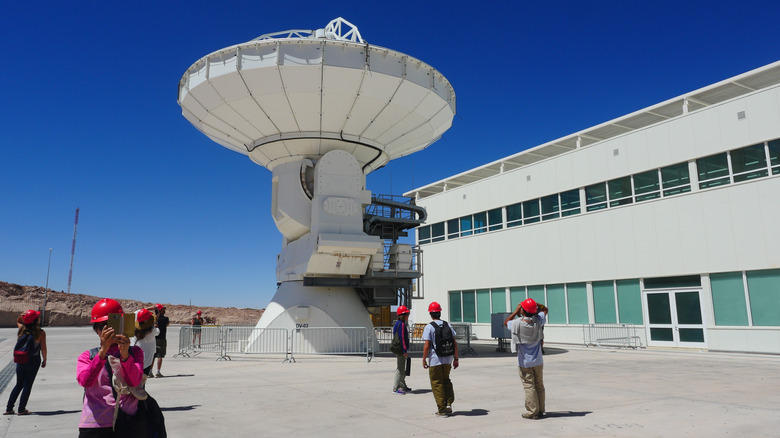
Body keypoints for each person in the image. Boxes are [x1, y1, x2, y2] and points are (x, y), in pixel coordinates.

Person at [77, 298, 144, 437]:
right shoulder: (87, 356)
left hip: (127, 421)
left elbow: (135, 381)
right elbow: (85, 382)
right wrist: (102, 353)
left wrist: (125, 356)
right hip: (96, 423)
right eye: (104, 326)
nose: (110, 331)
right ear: (97, 330)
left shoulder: (135, 352)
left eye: (113, 325)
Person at [504, 298, 548, 419]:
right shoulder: (538, 320)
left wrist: (515, 311)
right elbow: (545, 310)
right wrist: (536, 304)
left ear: (523, 311)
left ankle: (532, 411)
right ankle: (541, 409)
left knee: (529, 386)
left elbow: (506, 322)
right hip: (538, 360)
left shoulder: (517, 323)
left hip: (525, 362)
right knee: (539, 385)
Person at [4, 309, 47, 416]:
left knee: (19, 384)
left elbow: (18, 321)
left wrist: (21, 316)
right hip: (33, 361)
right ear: (36, 320)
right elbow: (43, 348)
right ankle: (21, 409)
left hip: (21, 360)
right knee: (27, 385)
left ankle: (9, 408)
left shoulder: (22, 329)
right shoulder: (41, 333)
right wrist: (45, 359)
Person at [421, 301, 458, 417]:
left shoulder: (429, 327)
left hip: (435, 360)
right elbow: (454, 343)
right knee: (446, 380)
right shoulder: (448, 325)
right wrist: (456, 358)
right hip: (448, 359)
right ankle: (448, 404)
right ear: (440, 312)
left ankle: (441, 410)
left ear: (430, 314)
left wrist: (423, 359)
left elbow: (427, 345)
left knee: (437, 383)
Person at [133, 309, 159, 379]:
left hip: (137, 359)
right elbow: (158, 332)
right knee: (142, 382)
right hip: (147, 361)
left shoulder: (135, 330)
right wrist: (155, 325)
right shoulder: (152, 330)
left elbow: (136, 313)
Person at [392, 305, 412, 395]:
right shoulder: (402, 325)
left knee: (402, 369)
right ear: (402, 315)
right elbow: (402, 338)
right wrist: (404, 350)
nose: (407, 316)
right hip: (400, 349)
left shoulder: (397, 324)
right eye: (406, 314)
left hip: (398, 348)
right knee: (400, 369)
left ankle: (403, 386)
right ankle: (396, 388)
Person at [152, 304, 169, 378]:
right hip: (161, 339)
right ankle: (158, 371)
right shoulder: (165, 319)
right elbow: (167, 324)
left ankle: (149, 371)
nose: (164, 311)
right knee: (160, 355)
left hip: (154, 339)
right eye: (163, 310)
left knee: (153, 356)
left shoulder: (154, 319)